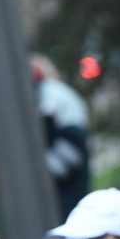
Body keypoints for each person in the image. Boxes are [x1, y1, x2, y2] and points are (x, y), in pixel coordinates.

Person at [31, 52, 91, 220]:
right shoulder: (55, 92)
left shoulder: (51, 94)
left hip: (68, 181)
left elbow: (71, 144)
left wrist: (42, 173)